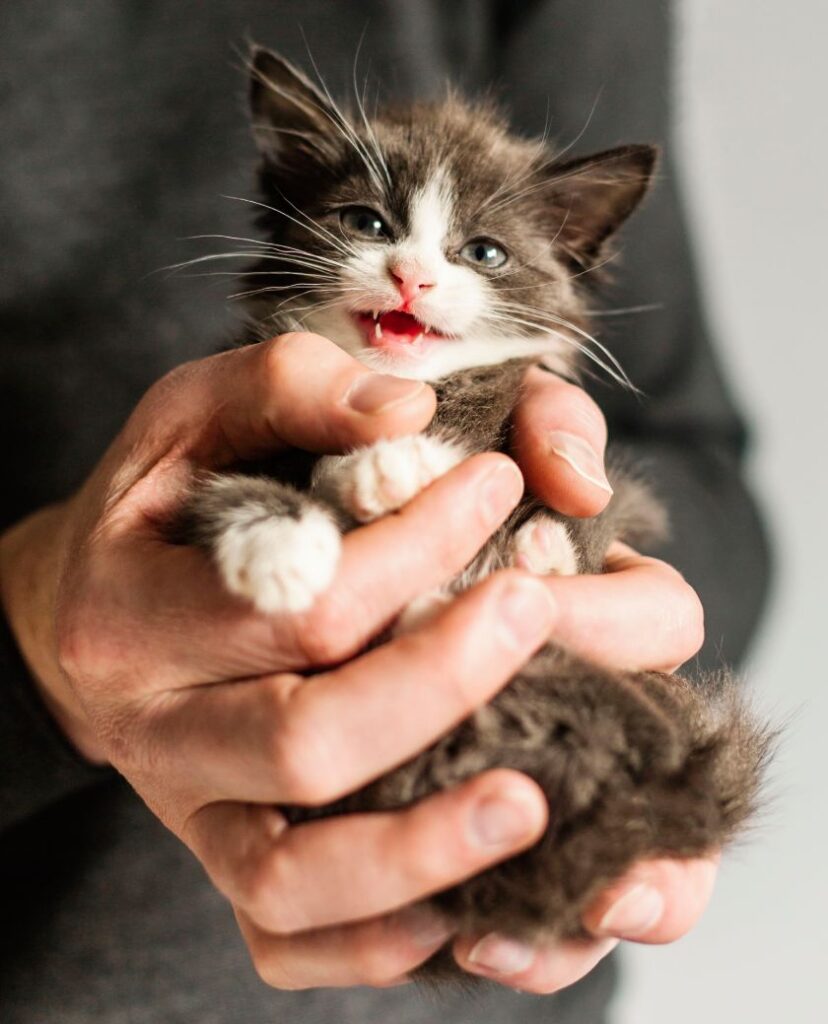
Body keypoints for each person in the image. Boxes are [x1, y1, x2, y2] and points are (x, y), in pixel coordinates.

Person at [0, 2, 769, 1021]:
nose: (416, 270)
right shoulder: (270, 412)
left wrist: (592, 579)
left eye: (483, 253)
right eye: (368, 221)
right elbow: (238, 516)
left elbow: (700, 465)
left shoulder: (519, 396)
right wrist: (35, 642)